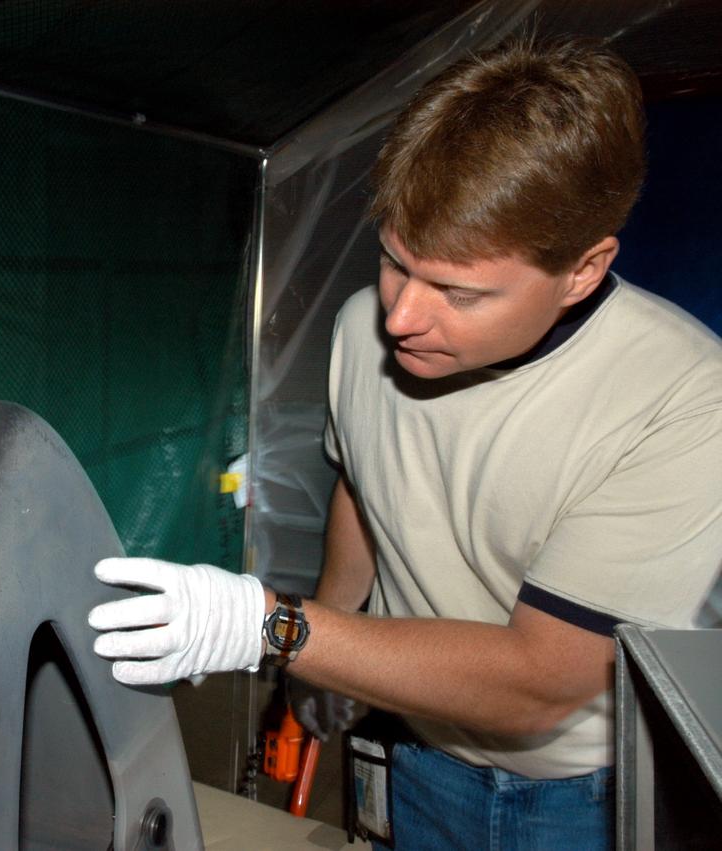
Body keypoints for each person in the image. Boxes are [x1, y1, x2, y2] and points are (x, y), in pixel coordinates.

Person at [88, 38, 722, 849]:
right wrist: (327, 642)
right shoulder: (363, 328)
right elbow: (367, 485)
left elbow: (539, 683)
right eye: (393, 261)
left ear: (582, 269)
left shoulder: (682, 400)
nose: (401, 317)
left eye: (458, 290)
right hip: (418, 748)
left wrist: (275, 628)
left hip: (576, 796)